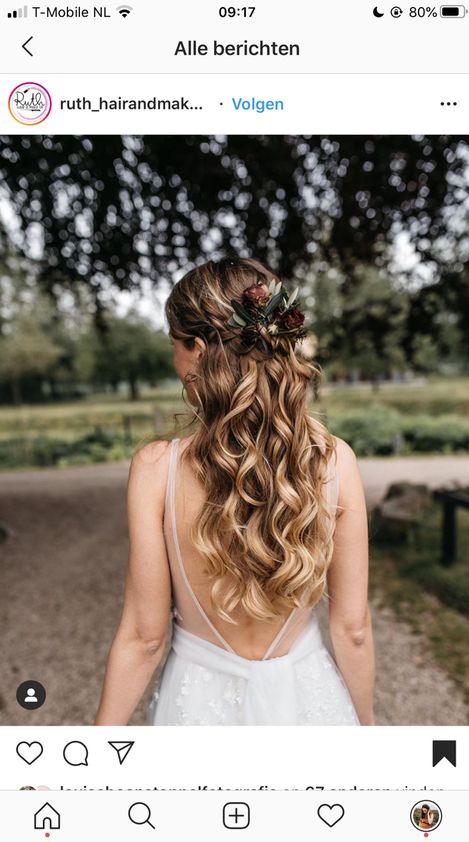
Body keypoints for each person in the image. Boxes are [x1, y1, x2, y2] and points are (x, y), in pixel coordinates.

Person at [95, 257, 375, 726]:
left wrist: (90, 756)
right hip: (309, 701)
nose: (174, 360)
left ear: (199, 349)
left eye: (175, 345)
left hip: (198, 710)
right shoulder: (335, 460)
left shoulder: (155, 470)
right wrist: (368, 729)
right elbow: (354, 630)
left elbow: (144, 638)